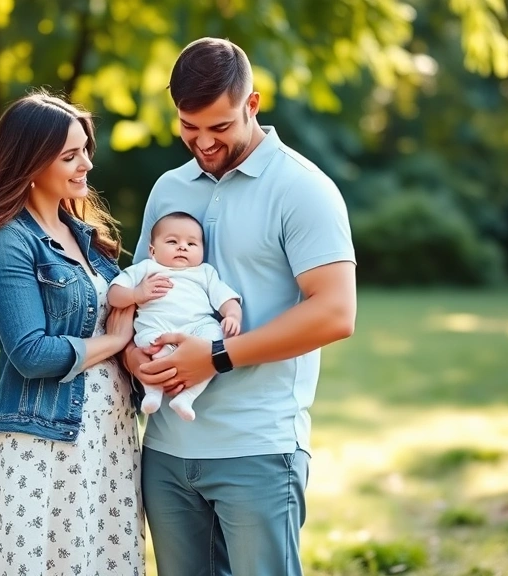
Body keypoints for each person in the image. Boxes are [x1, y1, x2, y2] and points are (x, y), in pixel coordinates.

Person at [123, 38, 358, 576]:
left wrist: (217, 355)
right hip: (165, 450)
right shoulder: (168, 189)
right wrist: (135, 362)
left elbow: (335, 313)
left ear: (252, 105)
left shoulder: (303, 189)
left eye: (220, 127)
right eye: (189, 125)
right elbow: (139, 293)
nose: (202, 142)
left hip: (258, 447)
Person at [0, 91, 146, 576]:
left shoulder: (86, 236)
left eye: (85, 150)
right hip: (44, 443)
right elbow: (31, 353)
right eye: (70, 155)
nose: (86, 164)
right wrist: (114, 343)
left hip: (108, 435)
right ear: (30, 162)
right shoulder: (9, 241)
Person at [107, 211, 241, 421]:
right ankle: (152, 391)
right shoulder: (146, 268)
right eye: (172, 241)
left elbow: (225, 298)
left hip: (197, 327)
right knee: (152, 347)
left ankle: (187, 397)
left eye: (192, 244)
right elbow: (114, 295)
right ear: (152, 250)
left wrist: (232, 315)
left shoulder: (204, 273)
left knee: (214, 342)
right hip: (157, 330)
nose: (182, 247)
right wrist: (136, 294)